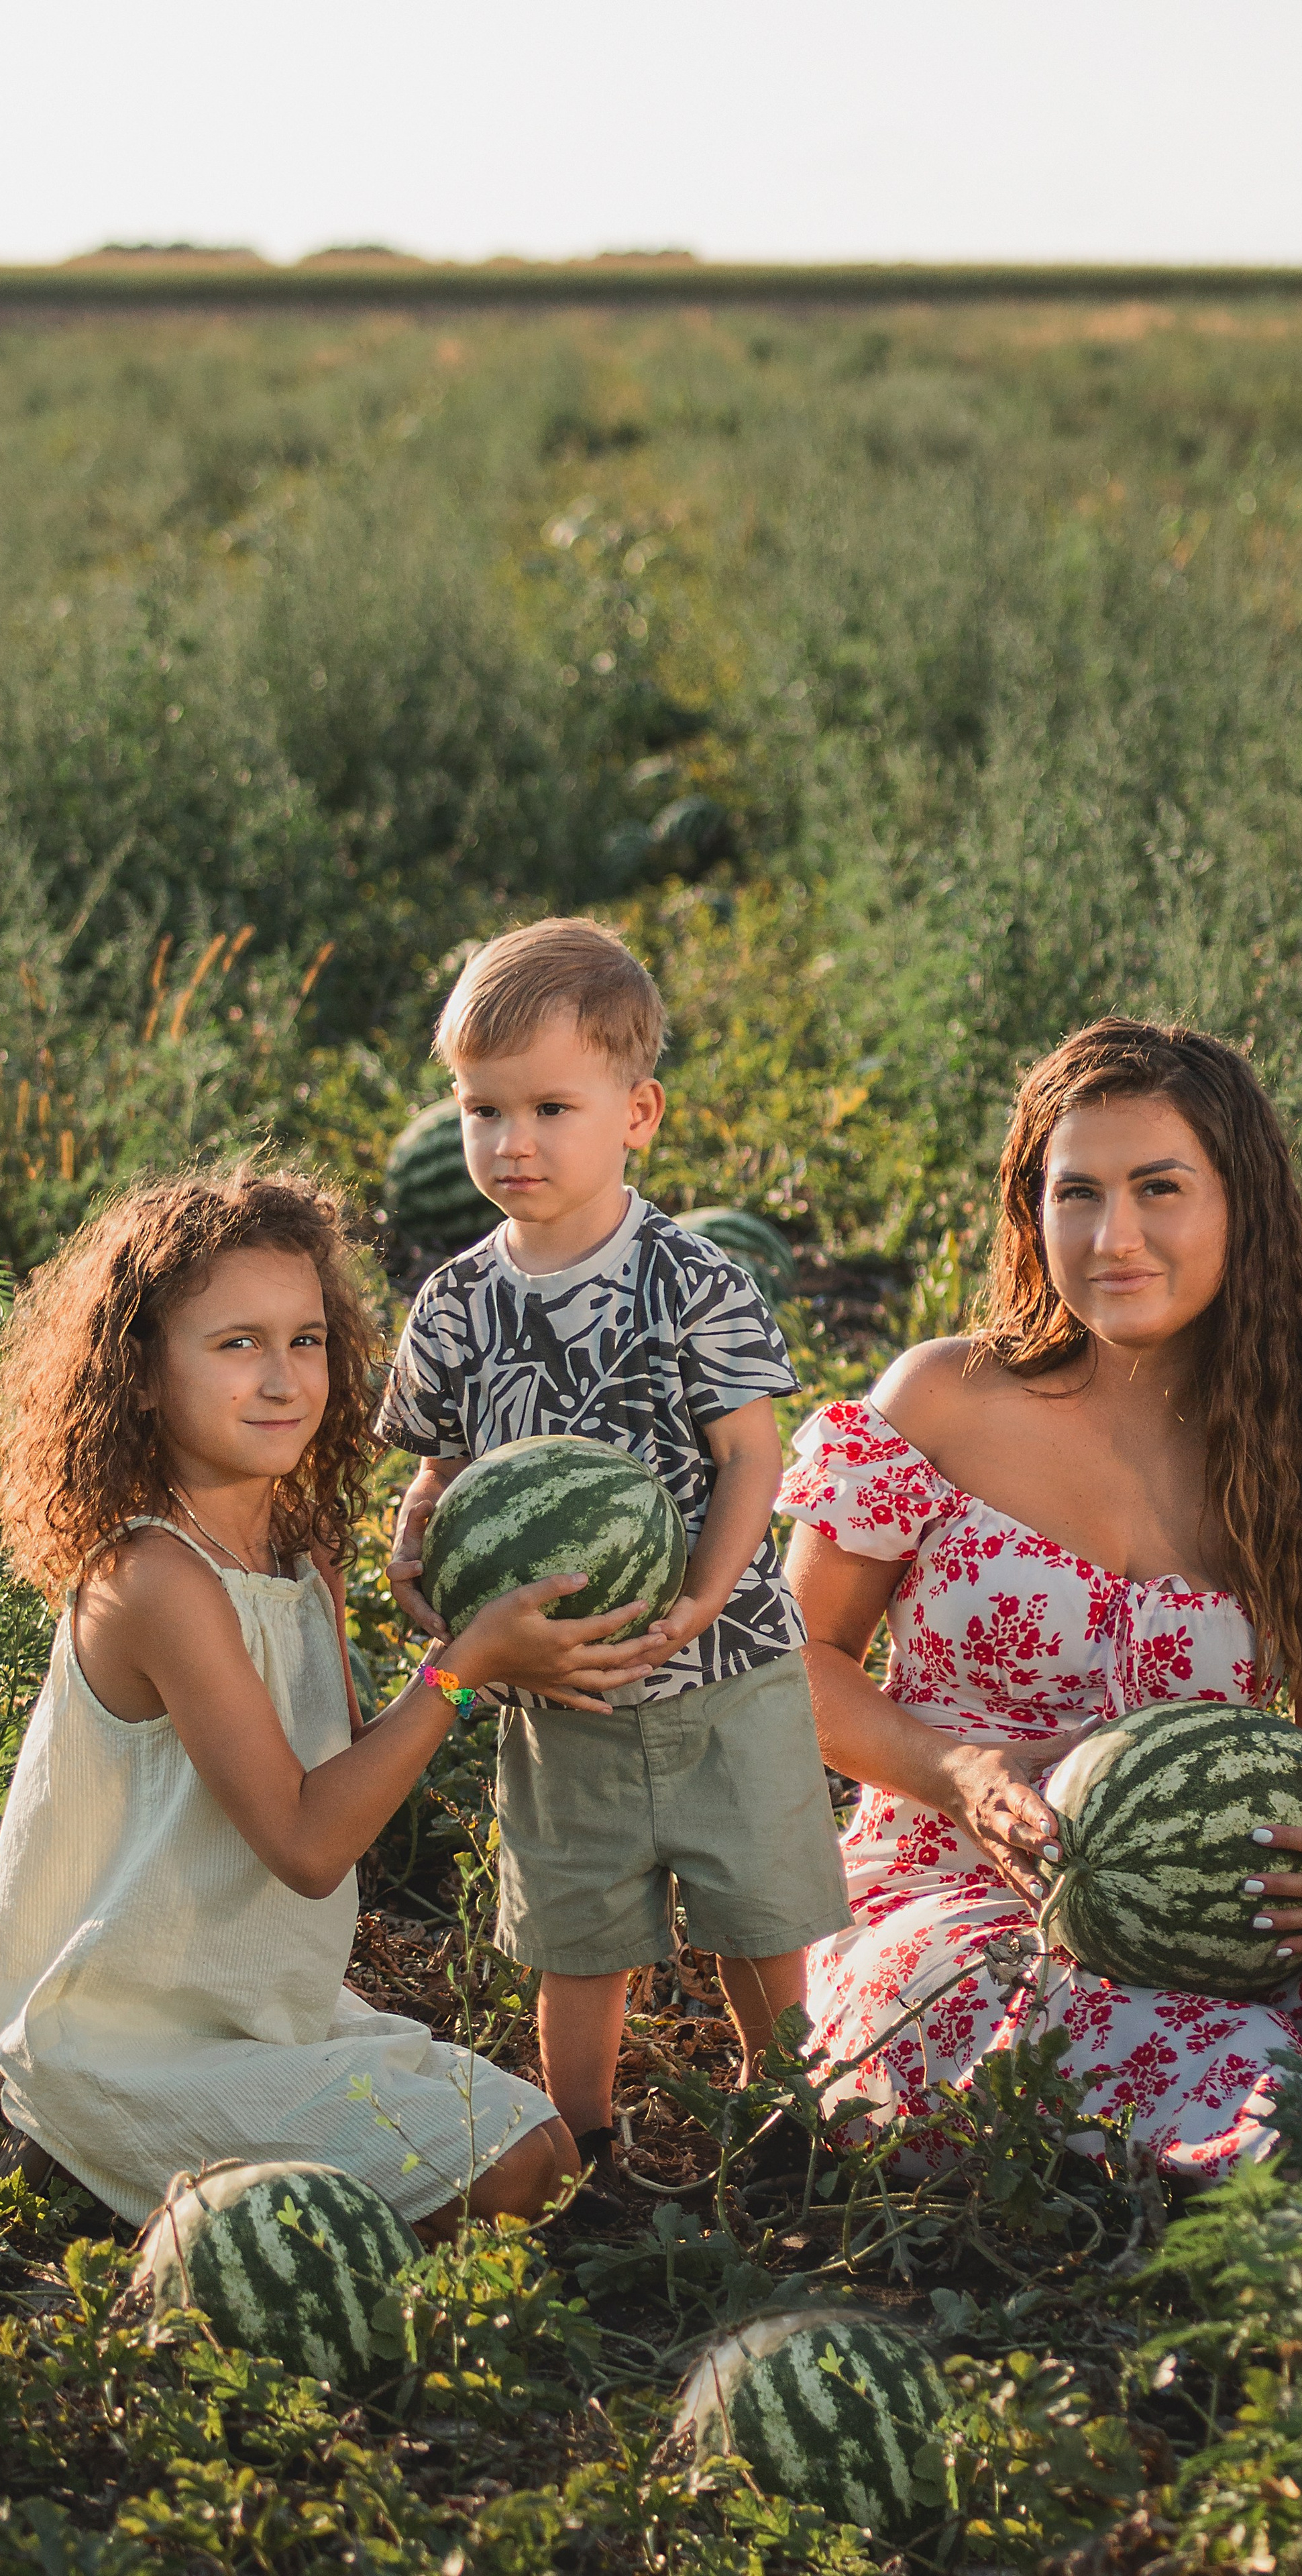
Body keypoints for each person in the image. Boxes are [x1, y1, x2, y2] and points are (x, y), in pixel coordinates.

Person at [779, 1018, 1302, 2182]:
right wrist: (961, 1772)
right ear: (1033, 1210)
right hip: (950, 1893)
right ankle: (1276, 2174)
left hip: (1221, 1911)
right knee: (1208, 2071)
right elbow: (797, 1668)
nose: (1114, 1237)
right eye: (1076, 1192)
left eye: (1160, 1188)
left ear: (1243, 1207)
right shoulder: (944, 1403)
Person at [0, 1167, 578, 2238]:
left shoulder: (297, 1543)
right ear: (143, 1376)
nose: (284, 1379)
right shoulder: (157, 1578)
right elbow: (308, 1845)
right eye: (236, 1343)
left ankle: (184, 2175)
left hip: (262, 2010)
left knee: (545, 2151)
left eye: (306, 1340)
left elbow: (338, 1775)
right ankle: (92, 2142)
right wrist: (460, 1670)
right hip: (126, 2032)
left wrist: (465, 1602)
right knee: (512, 2176)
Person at [381, 917, 851, 2203]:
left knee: (759, 1912)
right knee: (575, 1934)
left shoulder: (696, 1280)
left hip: (726, 1672)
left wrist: (704, 1592)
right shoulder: (455, 1303)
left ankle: (784, 2117)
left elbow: (754, 1458)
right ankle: (577, 2144)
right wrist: (418, 1548)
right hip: (558, 1690)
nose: (511, 1141)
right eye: (482, 1110)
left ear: (637, 1111)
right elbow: (435, 1470)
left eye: (549, 1106)